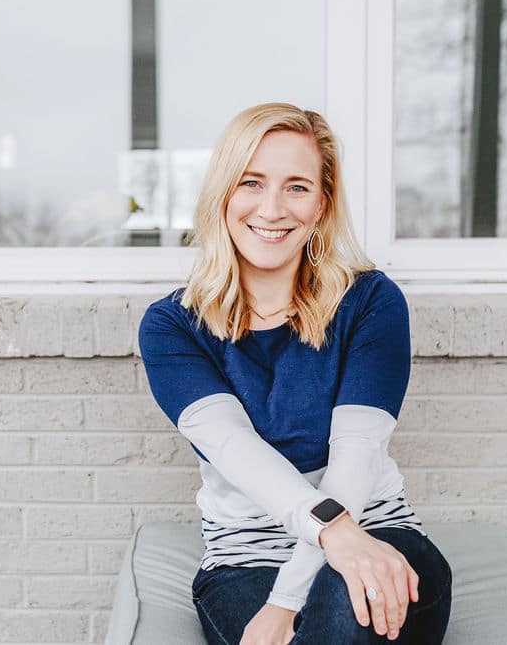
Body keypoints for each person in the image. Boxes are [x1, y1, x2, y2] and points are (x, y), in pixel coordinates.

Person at [137, 103, 452, 645]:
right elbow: (239, 454)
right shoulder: (173, 327)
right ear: (223, 194)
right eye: (251, 183)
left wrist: (291, 595)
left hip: (377, 536)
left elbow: (356, 457)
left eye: (297, 187)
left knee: (343, 602)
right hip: (246, 561)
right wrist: (328, 541)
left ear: (322, 204)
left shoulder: (370, 302)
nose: (272, 208)